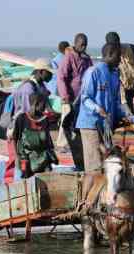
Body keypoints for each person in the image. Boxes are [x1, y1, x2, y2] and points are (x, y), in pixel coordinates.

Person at [76, 43, 129, 173]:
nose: (120, 60)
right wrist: (97, 108)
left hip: (106, 126)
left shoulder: (115, 75)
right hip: (91, 125)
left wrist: (123, 116)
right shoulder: (93, 72)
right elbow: (84, 97)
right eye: (118, 56)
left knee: (107, 163)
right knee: (95, 164)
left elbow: (115, 101)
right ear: (110, 54)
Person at [57, 33, 93, 171]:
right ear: (76, 43)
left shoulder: (86, 58)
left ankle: (79, 147)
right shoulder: (69, 57)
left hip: (83, 98)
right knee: (67, 123)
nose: (83, 47)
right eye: (81, 44)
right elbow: (61, 77)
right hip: (70, 98)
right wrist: (65, 95)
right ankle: (62, 148)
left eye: (85, 44)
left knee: (78, 124)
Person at [13, 92, 58, 179]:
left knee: (48, 178)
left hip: (43, 157)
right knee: (25, 178)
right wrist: (16, 156)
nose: (45, 107)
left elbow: (56, 117)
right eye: (44, 104)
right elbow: (15, 138)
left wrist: (50, 109)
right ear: (36, 104)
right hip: (26, 158)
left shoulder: (45, 119)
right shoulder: (21, 118)